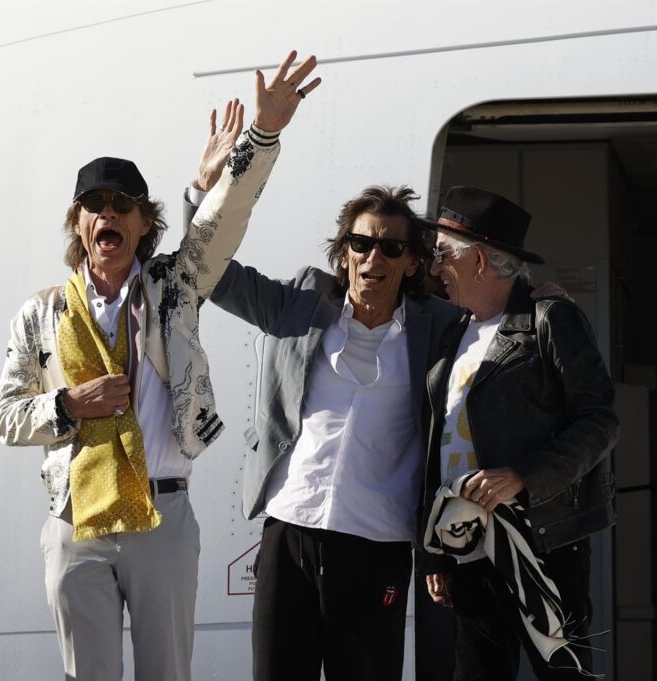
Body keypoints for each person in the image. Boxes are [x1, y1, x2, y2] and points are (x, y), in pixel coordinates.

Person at [0, 51, 318, 681]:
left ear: (145, 223)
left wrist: (262, 135)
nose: (107, 213)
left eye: (122, 204)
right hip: (76, 519)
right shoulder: (41, 313)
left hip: (161, 516)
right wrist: (67, 404)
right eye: (93, 204)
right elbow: (5, 416)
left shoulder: (174, 287)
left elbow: (224, 220)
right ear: (78, 222)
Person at [183, 100, 461, 681]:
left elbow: (494, 326)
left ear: (412, 263)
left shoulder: (440, 329)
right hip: (290, 531)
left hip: (377, 542)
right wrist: (205, 193)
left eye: (391, 248)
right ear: (343, 253)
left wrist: (538, 303)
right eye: (361, 244)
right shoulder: (301, 305)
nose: (373, 257)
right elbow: (210, 272)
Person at [419, 186, 620, 680]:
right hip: (468, 545)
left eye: (443, 254)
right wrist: (433, 552)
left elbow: (600, 421)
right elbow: (438, 443)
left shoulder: (550, 318)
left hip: (543, 543)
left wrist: (522, 476)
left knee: (564, 673)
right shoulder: (452, 332)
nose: (434, 267)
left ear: (479, 261)